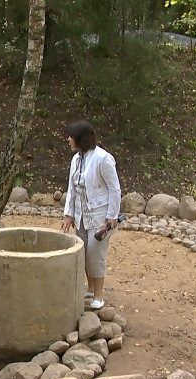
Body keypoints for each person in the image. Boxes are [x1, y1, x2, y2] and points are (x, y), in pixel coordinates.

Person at [60, 120, 121, 310]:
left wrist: (112, 216)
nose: (68, 139)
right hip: (81, 215)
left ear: (80, 138)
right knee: (84, 252)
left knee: (96, 255)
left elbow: (114, 188)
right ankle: (91, 287)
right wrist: (69, 214)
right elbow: (72, 188)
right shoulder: (76, 159)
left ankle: (98, 296)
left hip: (99, 216)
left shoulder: (103, 159)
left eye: (71, 136)